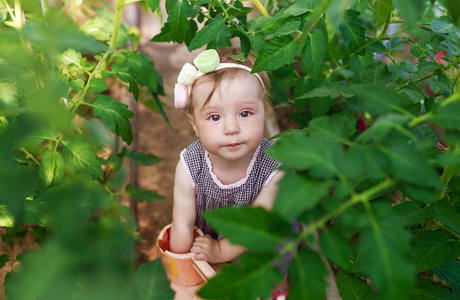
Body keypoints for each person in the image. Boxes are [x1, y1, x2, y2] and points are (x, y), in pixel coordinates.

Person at [169, 48, 288, 295]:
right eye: (214, 117)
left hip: (255, 246)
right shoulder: (190, 165)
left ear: (264, 112)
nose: (232, 128)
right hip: (209, 246)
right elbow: (182, 223)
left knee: (273, 270)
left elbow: (256, 227)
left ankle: (278, 290)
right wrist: (180, 269)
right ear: (195, 124)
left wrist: (221, 251)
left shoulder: (273, 169)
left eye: (245, 113)